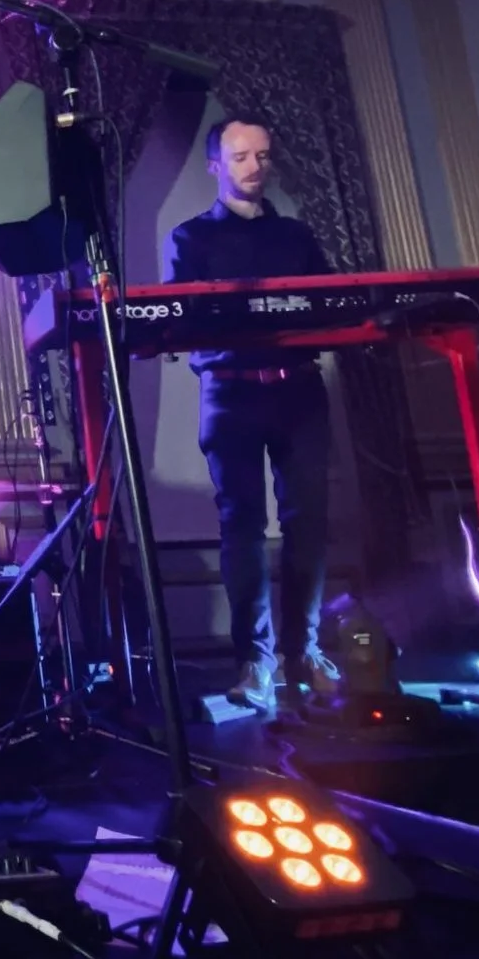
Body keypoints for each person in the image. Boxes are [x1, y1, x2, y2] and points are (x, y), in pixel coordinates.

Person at [164, 116, 337, 707]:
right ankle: (254, 661)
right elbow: (181, 317)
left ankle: (303, 650)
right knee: (241, 524)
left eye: (262, 156)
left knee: (308, 521)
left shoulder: (296, 235)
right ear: (216, 165)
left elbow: (331, 303)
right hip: (230, 393)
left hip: (299, 390)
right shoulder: (190, 239)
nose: (254, 167)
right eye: (240, 157)